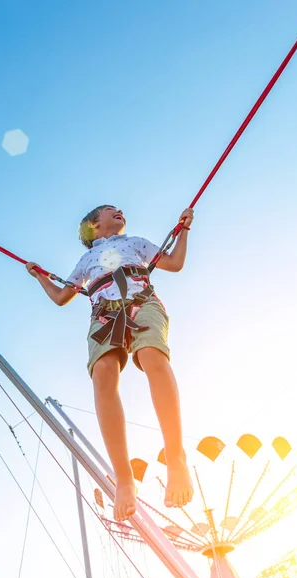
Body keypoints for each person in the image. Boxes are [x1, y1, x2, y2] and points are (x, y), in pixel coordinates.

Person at [26, 205, 194, 521]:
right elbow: (63, 296)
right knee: (103, 372)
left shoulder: (136, 243)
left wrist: (183, 230)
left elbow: (174, 263)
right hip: (105, 311)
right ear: (94, 224)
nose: (119, 210)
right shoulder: (86, 260)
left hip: (141, 302)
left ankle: (176, 457)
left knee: (152, 356)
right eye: (109, 210)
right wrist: (39, 276)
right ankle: (124, 478)